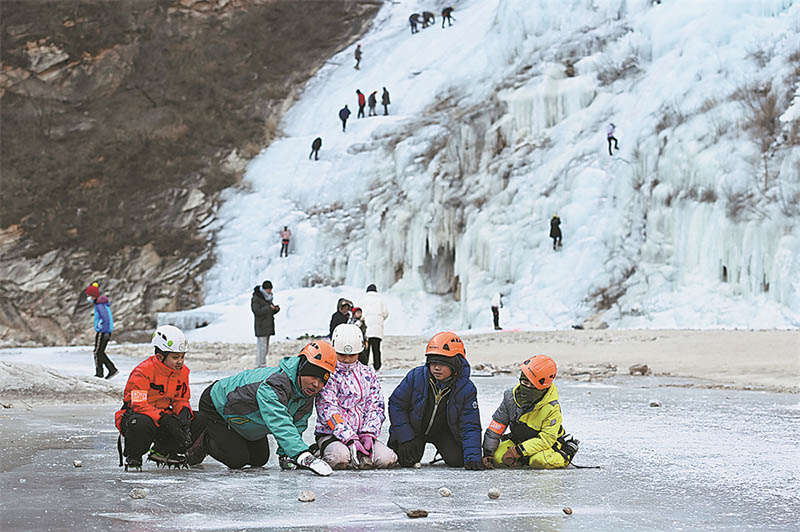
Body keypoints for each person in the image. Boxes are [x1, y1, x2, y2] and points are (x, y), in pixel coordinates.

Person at [186, 341, 336, 475]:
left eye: (322, 380)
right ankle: (204, 437)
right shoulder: (274, 385)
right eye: (313, 376)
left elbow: (297, 424)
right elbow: (279, 421)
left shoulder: (306, 393)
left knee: (259, 458)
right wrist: (302, 455)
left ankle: (228, 436)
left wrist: (286, 455)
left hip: (244, 417)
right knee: (237, 459)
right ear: (301, 369)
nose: (316, 385)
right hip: (217, 405)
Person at [388, 332, 483, 470]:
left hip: (444, 432)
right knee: (406, 459)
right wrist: (405, 438)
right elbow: (396, 405)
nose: (437, 368)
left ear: (455, 365)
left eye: (443, 364)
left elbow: (470, 425)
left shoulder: (467, 389)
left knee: (458, 460)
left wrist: (473, 458)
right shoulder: (415, 377)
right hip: (414, 430)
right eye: (433, 363)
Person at [314, 324, 398, 470]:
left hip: (362, 435)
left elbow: (376, 406)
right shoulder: (329, 376)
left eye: (352, 355)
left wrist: (369, 433)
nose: (347, 359)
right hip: (332, 434)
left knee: (387, 459)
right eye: (342, 354)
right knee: (340, 459)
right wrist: (349, 437)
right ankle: (319, 450)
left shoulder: (368, 374)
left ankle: (360, 450)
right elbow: (329, 411)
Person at [481, 355, 579, 470]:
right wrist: (488, 453)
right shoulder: (510, 397)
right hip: (519, 439)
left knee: (538, 461)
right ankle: (523, 459)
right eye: (524, 383)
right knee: (498, 458)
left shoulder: (552, 407)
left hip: (546, 444)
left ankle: (567, 451)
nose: (527, 388)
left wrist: (517, 451)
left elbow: (546, 439)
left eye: (532, 385)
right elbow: (496, 427)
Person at [115, 325, 192, 471]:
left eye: (182, 356)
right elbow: (138, 404)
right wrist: (163, 418)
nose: (180, 361)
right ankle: (134, 456)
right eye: (175, 357)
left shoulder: (183, 372)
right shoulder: (142, 372)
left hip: (164, 416)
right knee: (140, 423)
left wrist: (184, 412)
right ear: (160, 356)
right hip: (141, 416)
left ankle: (162, 451)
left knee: (197, 419)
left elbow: (181, 399)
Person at [85, 282, 118, 379]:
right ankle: (112, 369)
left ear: (93, 296)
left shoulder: (100, 305)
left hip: (103, 331)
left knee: (97, 352)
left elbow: (105, 318)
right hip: (105, 331)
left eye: (89, 296)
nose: (88, 298)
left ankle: (100, 373)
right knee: (100, 352)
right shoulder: (100, 303)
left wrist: (102, 328)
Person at [252, 280, 280, 368]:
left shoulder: (268, 297)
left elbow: (267, 311)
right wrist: (269, 308)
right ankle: (260, 365)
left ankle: (261, 364)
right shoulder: (257, 298)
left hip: (267, 325)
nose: (270, 291)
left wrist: (275, 309)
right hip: (261, 325)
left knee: (265, 347)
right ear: (264, 289)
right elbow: (257, 311)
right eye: (269, 289)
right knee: (262, 347)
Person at [361, 284, 388, 371]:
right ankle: (377, 366)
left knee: (366, 348)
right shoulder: (380, 300)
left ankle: (364, 366)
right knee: (376, 349)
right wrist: (380, 319)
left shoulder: (363, 300)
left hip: (367, 328)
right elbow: (386, 313)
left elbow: (360, 314)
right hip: (377, 329)